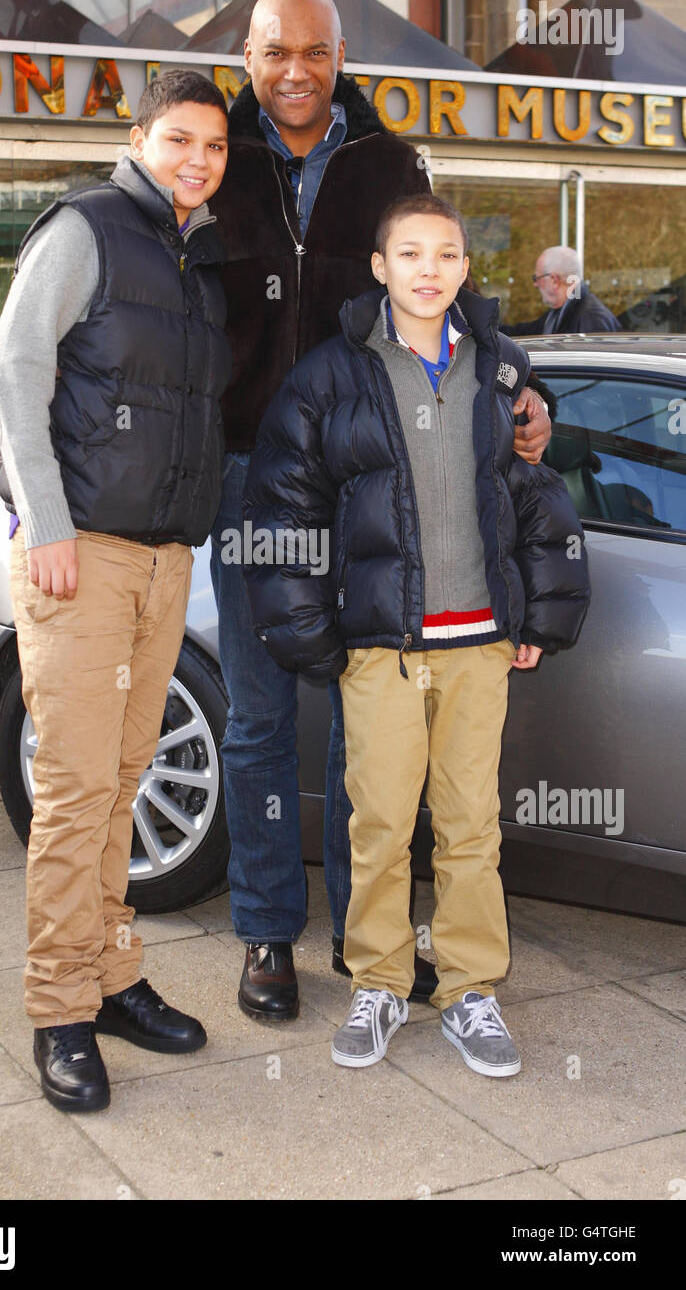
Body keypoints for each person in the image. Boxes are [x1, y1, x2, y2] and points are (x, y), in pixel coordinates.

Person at [208, 0, 553, 1023]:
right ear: (250, 55)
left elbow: (444, 280)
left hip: (374, 480)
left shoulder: (389, 162)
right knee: (261, 719)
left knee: (370, 729)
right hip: (248, 481)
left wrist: (523, 387)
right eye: (277, 53)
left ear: (342, 53)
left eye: (316, 51)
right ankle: (269, 933)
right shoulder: (214, 156)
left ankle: (376, 942)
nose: (297, 72)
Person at [242, 195, 590, 1075]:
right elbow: (284, 502)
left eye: (445, 254)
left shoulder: (503, 371)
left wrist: (541, 615)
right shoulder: (331, 375)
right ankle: (381, 984)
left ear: (466, 269)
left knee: (473, 826)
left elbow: (537, 497)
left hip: (478, 646)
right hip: (383, 648)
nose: (428, 269)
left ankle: (472, 991)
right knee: (382, 823)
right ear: (379, 266)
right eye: (410, 253)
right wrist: (311, 630)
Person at [0, 70, 232, 1114]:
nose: (198, 160)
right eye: (180, 139)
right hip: (81, 555)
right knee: (81, 791)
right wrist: (44, 521)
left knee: (123, 788)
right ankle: (58, 1010)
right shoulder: (87, 228)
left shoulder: (193, 257)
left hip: (165, 559)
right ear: (138, 137)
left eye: (215, 147)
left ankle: (113, 974)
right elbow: (13, 367)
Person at [503, 245, 620, 334]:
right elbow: (525, 333)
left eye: (536, 278)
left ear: (554, 280)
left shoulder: (591, 319)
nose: (535, 284)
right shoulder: (562, 312)